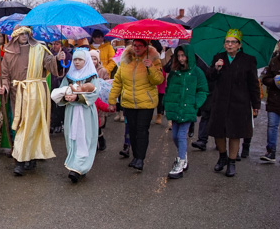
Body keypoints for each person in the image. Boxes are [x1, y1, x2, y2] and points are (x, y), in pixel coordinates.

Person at [0, 26, 65, 176]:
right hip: (18, 93)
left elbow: (50, 63)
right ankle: (24, 158)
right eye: (21, 33)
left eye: (26, 32)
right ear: (15, 36)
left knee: (33, 125)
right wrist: (3, 86)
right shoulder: (8, 53)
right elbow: (4, 75)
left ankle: (23, 161)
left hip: (36, 93)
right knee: (22, 125)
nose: (24, 35)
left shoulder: (39, 49)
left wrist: (58, 60)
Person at [206, 29, 261, 177]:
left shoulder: (248, 60)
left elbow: (253, 84)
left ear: (239, 45)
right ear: (224, 44)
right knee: (218, 132)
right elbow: (210, 77)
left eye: (233, 42)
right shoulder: (219, 58)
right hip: (220, 102)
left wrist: (256, 104)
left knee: (235, 133)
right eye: (227, 42)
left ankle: (231, 162)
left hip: (239, 103)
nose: (229, 45)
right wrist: (216, 68)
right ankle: (222, 157)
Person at [108, 39, 164, 171]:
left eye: (140, 46)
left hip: (146, 103)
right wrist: (112, 100)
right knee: (132, 130)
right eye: (135, 45)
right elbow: (118, 81)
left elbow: (158, 80)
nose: (137, 48)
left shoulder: (153, 58)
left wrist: (150, 67)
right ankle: (135, 156)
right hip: (129, 102)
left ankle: (140, 159)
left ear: (146, 46)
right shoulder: (126, 59)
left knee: (142, 130)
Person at [51, 49, 101, 183]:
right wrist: (66, 96)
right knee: (72, 137)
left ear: (86, 61)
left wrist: (78, 97)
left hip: (85, 113)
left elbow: (95, 94)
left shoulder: (92, 77)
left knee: (84, 137)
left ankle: (79, 168)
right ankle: (75, 166)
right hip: (72, 112)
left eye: (80, 60)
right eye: (75, 60)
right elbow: (62, 90)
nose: (77, 62)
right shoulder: (69, 76)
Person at [163, 44, 208, 179]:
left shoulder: (197, 72)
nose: (181, 59)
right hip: (176, 108)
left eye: (184, 56)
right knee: (175, 136)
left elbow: (203, 90)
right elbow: (169, 88)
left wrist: (196, 103)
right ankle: (183, 155)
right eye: (179, 56)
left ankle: (180, 161)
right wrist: (167, 102)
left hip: (188, 108)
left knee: (182, 135)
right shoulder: (174, 72)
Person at [260, 42, 280, 163]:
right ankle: (271, 151)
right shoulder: (273, 61)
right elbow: (264, 78)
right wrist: (275, 81)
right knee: (272, 126)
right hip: (274, 100)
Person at [89, 49, 111, 151]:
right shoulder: (86, 70)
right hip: (89, 97)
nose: (93, 61)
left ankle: (101, 139)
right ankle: (93, 142)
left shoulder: (102, 70)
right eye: (91, 59)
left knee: (98, 120)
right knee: (91, 121)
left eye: (95, 59)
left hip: (99, 97)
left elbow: (107, 82)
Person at [48, 40, 71, 135]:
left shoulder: (68, 55)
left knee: (62, 103)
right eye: (53, 43)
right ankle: (53, 123)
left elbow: (68, 67)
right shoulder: (50, 54)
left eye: (57, 44)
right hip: (53, 81)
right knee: (53, 104)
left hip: (63, 81)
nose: (54, 46)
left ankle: (61, 123)